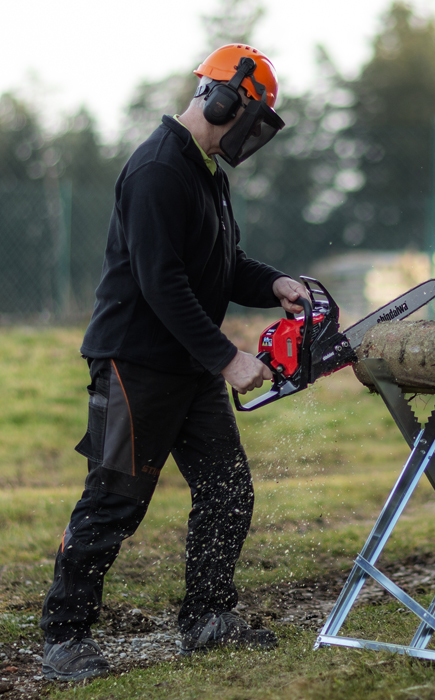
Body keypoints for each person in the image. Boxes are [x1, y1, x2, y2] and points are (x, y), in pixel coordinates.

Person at [40, 44, 309, 682]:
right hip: (137, 362)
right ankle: (63, 639)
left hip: (188, 361)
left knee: (226, 490)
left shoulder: (204, 171)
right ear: (225, 101)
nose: (251, 132)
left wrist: (275, 284)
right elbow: (161, 284)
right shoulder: (158, 169)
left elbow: (221, 265)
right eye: (251, 115)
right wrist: (227, 357)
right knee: (114, 502)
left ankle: (207, 618)